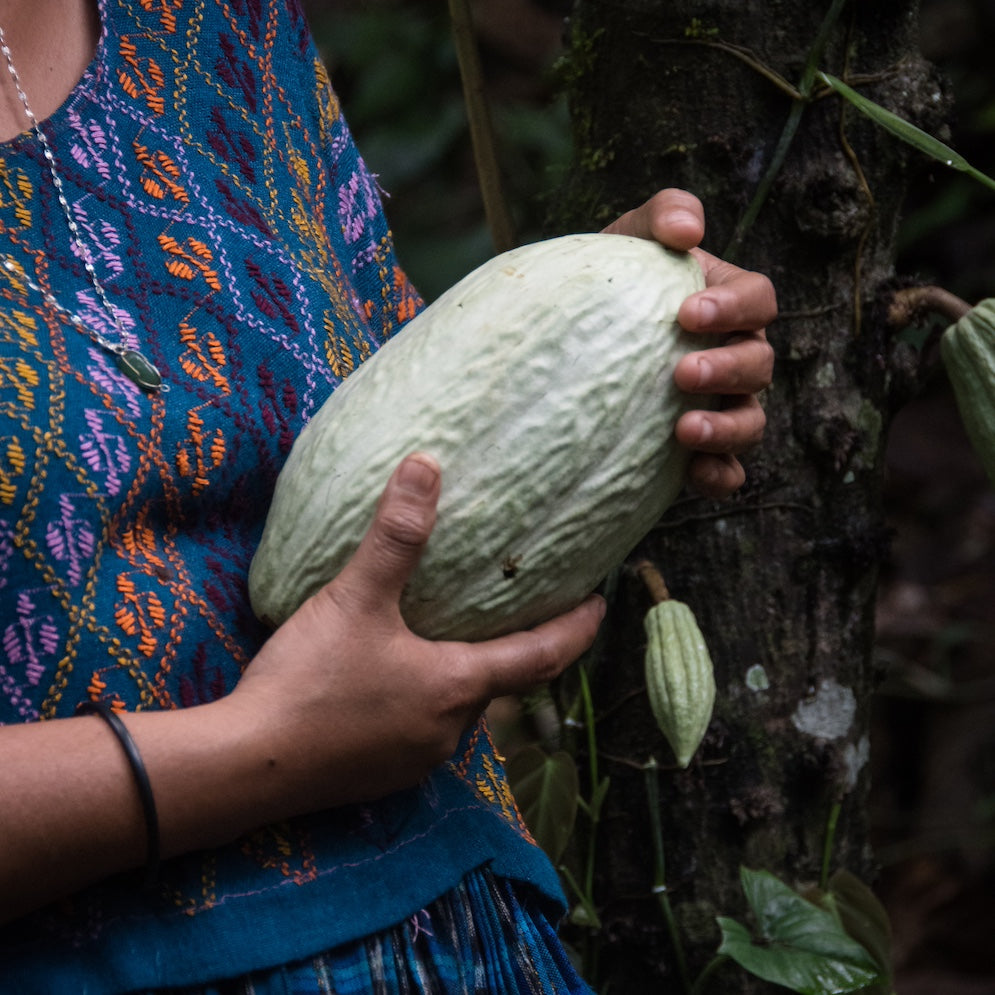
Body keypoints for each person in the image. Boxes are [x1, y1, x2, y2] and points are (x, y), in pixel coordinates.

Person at [0, 0, 776, 992]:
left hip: (456, 938)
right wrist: (264, 748)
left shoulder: (210, 25)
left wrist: (590, 350)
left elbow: (374, 451)